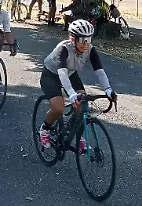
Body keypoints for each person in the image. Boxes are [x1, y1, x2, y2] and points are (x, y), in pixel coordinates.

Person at [37, 19, 116, 149]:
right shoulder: (63, 49)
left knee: (83, 104)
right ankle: (45, 129)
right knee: (58, 108)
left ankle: (76, 134)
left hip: (70, 74)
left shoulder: (90, 49)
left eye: (88, 39)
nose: (85, 44)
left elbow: (100, 71)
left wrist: (108, 90)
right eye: (81, 40)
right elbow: (61, 73)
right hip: (51, 75)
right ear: (73, 39)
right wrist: (72, 94)